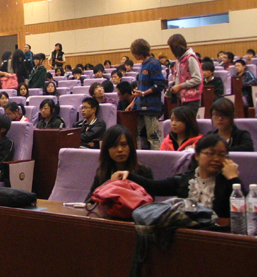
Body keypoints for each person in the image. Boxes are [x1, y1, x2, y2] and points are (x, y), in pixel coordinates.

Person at [112, 135, 244, 218]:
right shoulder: (187, 180)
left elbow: (246, 209)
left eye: (221, 155)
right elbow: (154, 186)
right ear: (197, 156)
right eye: (210, 153)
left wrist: (233, 178)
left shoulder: (228, 182)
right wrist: (129, 175)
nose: (216, 158)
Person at [86, 125, 153, 200]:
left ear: (130, 147)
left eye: (124, 144)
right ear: (107, 149)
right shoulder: (102, 172)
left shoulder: (144, 171)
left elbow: (150, 202)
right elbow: (90, 201)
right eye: (114, 146)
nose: (120, 149)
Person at [130, 38, 166, 150]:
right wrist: (133, 102)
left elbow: (160, 84)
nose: (133, 55)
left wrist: (144, 93)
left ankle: (157, 158)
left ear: (139, 51)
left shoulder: (153, 63)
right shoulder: (144, 64)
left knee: (153, 137)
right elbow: (141, 89)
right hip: (140, 106)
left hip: (151, 107)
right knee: (136, 135)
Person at [168, 33, 203, 116]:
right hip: (181, 97)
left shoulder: (190, 58)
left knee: (188, 122)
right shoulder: (178, 60)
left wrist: (180, 86)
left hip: (192, 98)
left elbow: (197, 79)